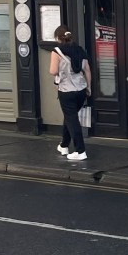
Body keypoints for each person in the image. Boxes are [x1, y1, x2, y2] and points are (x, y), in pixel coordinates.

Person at [49, 25, 92, 162]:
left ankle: (80, 151)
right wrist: (89, 87)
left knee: (72, 120)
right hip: (81, 90)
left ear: (58, 37)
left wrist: (60, 71)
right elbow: (87, 70)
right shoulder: (79, 50)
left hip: (66, 91)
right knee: (70, 117)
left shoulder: (56, 51)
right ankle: (64, 145)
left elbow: (53, 71)